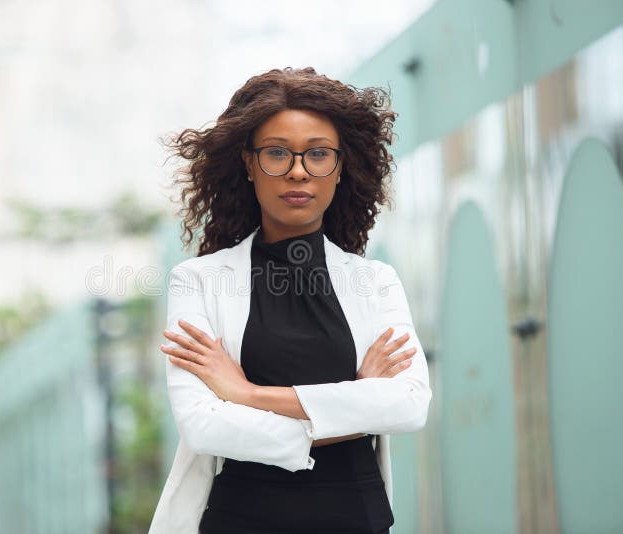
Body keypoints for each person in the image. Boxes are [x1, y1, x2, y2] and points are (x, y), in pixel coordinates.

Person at [149, 67, 432, 533]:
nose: (298, 170)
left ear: (340, 167)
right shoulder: (197, 281)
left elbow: (408, 405)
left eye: (318, 154)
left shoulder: (375, 281)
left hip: (356, 520)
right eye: (277, 153)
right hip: (243, 520)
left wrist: (247, 395)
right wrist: (355, 404)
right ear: (248, 163)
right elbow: (203, 426)